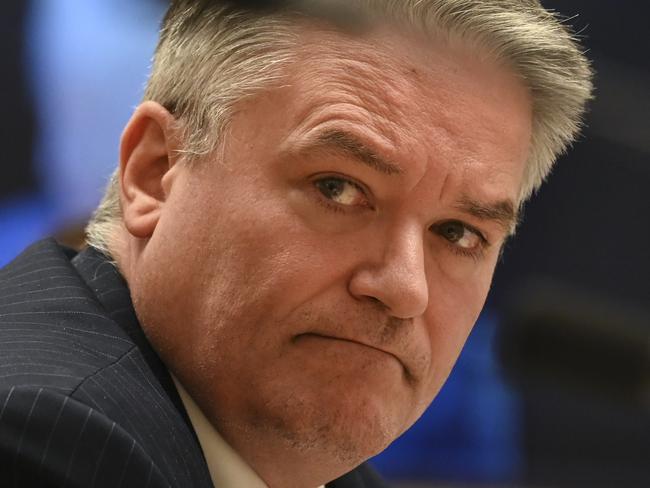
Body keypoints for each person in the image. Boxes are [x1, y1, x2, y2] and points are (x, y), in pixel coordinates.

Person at [0, 1, 593, 487]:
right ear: (155, 174)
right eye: (338, 189)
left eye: (458, 233)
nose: (405, 288)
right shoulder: (45, 442)